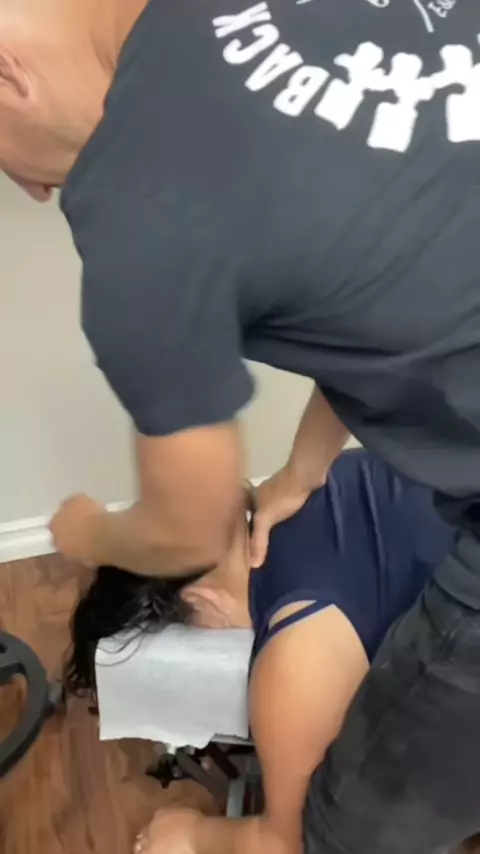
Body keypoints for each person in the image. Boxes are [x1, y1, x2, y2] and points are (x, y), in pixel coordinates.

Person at [1, 0, 480, 850]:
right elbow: (373, 315)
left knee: (346, 835)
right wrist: (302, 468)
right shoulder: (274, 27)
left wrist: (188, 832)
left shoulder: (137, 191)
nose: (38, 189)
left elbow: (283, 842)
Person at [66, 449, 455, 854]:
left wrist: (192, 834)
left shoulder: (296, 660)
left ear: (204, 600)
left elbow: (300, 843)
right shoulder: (321, 478)